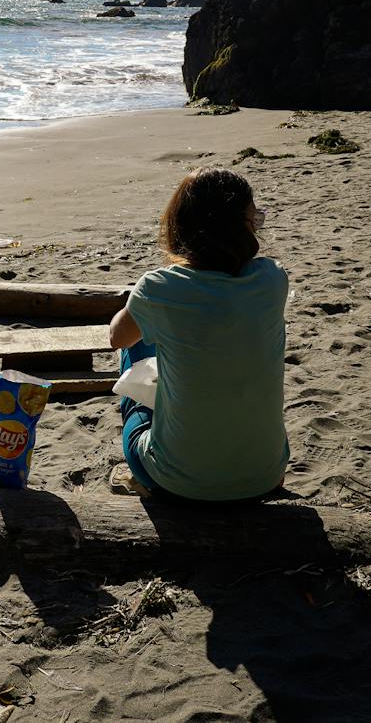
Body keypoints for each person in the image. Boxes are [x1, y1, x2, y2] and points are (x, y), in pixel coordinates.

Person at [109, 167, 288, 501]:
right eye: (255, 221)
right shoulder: (273, 279)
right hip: (264, 474)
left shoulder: (159, 287)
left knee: (135, 348)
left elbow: (117, 338)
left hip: (179, 481)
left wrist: (140, 303)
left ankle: (143, 476)